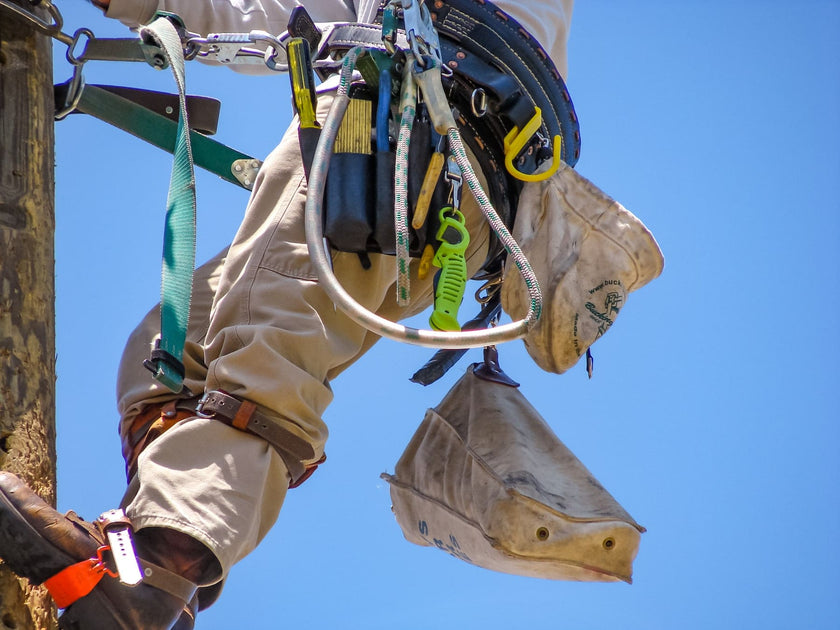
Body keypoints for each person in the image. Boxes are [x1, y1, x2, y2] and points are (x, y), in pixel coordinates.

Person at [0, 1, 574, 627]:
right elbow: (273, 10)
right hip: (434, 174)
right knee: (171, 353)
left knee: (266, 361)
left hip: (401, 133)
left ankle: (156, 581)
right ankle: (142, 565)